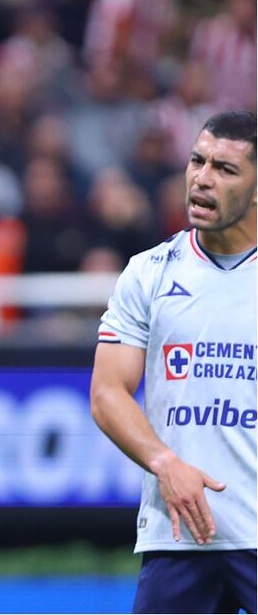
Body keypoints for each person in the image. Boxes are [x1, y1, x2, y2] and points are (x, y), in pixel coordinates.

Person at [90, 110, 256, 613]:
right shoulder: (149, 273)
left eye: (225, 169)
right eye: (197, 161)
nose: (203, 179)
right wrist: (165, 463)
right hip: (179, 535)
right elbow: (107, 393)